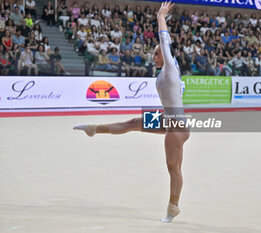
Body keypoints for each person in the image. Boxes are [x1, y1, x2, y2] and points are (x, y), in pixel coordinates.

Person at [73, 2, 189, 223]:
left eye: (157, 54)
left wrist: (160, 17)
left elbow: (165, 42)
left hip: (177, 125)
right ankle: (93, 129)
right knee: (132, 123)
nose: (154, 57)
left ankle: (173, 207)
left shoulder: (171, 68)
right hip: (168, 118)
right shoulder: (168, 72)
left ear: (165, 55)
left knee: (173, 168)